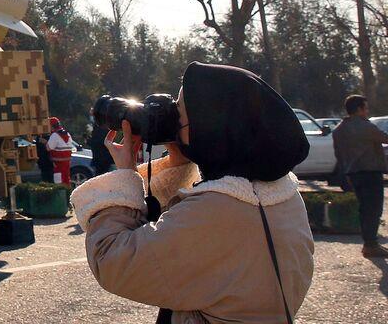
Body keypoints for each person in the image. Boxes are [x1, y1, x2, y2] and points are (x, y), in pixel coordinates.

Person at [70, 62, 315, 323]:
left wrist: (125, 175)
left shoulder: (216, 211)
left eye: (180, 113)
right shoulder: (282, 195)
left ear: (211, 127)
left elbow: (112, 261)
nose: (172, 121)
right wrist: (180, 159)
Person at [332, 94, 388, 258]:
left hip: (353, 173)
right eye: (366, 108)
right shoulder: (365, 126)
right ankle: (371, 244)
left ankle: (369, 243)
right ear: (359, 109)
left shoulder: (339, 130)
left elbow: (338, 154)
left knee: (364, 208)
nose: (367, 111)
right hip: (370, 172)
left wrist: (345, 172)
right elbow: (385, 138)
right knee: (374, 209)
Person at [46, 117, 74, 185]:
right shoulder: (67, 134)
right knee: (66, 179)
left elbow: (48, 148)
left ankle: (61, 191)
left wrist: (45, 142)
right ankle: (68, 191)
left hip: (58, 163)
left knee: (58, 181)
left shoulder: (55, 135)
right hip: (67, 162)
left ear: (51, 126)